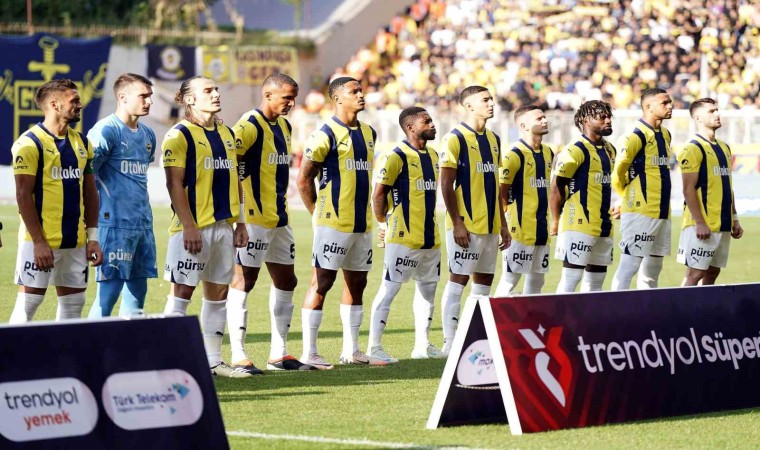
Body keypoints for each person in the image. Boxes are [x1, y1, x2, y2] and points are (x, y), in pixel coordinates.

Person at [162, 76, 250, 378]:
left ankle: (213, 360)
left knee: (218, 295)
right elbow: (174, 184)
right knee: (181, 295)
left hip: (223, 227)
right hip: (192, 230)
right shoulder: (179, 135)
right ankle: (170, 360)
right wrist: (189, 226)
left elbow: (236, 180)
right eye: (208, 90)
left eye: (216, 89)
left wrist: (240, 222)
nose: (215, 94)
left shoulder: (226, 133)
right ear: (189, 99)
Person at [297, 76, 387, 369]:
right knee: (322, 282)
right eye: (354, 91)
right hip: (333, 224)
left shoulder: (369, 133)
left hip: (362, 224)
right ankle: (309, 352)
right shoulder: (325, 134)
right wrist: (317, 214)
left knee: (357, 283)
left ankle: (352, 351)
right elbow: (304, 180)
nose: (361, 95)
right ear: (337, 98)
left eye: (361, 90)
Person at [227, 73, 314, 373]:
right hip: (252, 218)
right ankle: (238, 355)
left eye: (294, 98)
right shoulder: (248, 125)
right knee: (244, 280)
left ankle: (279, 354)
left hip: (279, 217)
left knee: (287, 280)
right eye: (286, 97)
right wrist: (238, 215)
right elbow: (231, 166)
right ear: (268, 95)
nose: (291, 103)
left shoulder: (284, 126)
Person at [10, 79, 103, 323]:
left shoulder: (82, 143)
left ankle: (65, 351)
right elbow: (23, 196)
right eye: (74, 100)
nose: (80, 105)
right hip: (39, 242)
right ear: (54, 104)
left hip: (75, 242)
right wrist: (39, 242)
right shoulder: (29, 143)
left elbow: (90, 193)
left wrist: (93, 239)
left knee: (74, 307)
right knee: (28, 305)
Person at [367, 106, 445, 363]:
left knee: (428, 292)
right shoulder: (395, 156)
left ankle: (422, 345)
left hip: (430, 238)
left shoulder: (433, 155)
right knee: (389, 290)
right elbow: (378, 195)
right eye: (427, 121)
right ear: (410, 127)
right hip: (403, 238)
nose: (432, 124)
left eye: (432, 120)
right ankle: (374, 347)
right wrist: (383, 225)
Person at [439, 85, 509, 355]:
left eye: (491, 99)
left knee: (483, 287)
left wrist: (503, 224)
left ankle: (475, 340)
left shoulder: (494, 139)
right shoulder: (454, 138)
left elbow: (495, 185)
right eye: (485, 100)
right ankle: (450, 342)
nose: (491, 104)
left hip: (490, 226)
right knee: (458, 282)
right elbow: (446, 184)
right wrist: (457, 222)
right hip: (466, 226)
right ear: (468, 106)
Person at [86, 73, 158, 318]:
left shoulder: (148, 134)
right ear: (123, 97)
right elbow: (87, 177)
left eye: (150, 96)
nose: (149, 101)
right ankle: (90, 341)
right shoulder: (106, 131)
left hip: (142, 224)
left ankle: (129, 341)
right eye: (143, 96)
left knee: (138, 293)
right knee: (109, 293)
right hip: (114, 225)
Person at [550, 100, 616, 293]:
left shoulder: (610, 149)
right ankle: (561, 314)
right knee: (571, 278)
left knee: (596, 282)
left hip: (604, 224)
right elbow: (556, 187)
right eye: (602, 117)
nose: (608, 120)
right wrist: (556, 220)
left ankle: (590, 315)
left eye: (609, 116)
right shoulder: (575, 149)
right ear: (586, 120)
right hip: (578, 223)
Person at [610, 88, 674, 290]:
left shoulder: (665, 134)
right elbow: (617, 174)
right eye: (664, 103)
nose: (670, 106)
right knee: (629, 266)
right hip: (640, 211)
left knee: (653, 270)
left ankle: (648, 308)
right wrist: (625, 197)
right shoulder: (635, 136)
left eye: (670, 102)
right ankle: (615, 307)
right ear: (648, 106)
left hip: (662, 211)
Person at [677, 98, 743, 285]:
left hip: (722, 222)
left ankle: (703, 305)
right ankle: (680, 305)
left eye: (717, 110)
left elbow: (727, 186)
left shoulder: (724, 147)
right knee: (695, 273)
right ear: (698, 118)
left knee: (713, 271)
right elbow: (688, 189)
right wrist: (700, 223)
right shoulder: (693, 148)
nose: (717, 114)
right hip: (702, 223)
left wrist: (734, 219)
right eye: (711, 111)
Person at [494, 105, 553, 296]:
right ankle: (496, 314)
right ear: (523, 125)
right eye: (539, 118)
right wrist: (504, 224)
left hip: (541, 228)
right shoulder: (514, 154)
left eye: (544, 117)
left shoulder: (548, 153)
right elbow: (501, 193)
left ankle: (531, 315)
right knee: (510, 280)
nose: (544, 120)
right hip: (518, 230)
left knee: (537, 280)